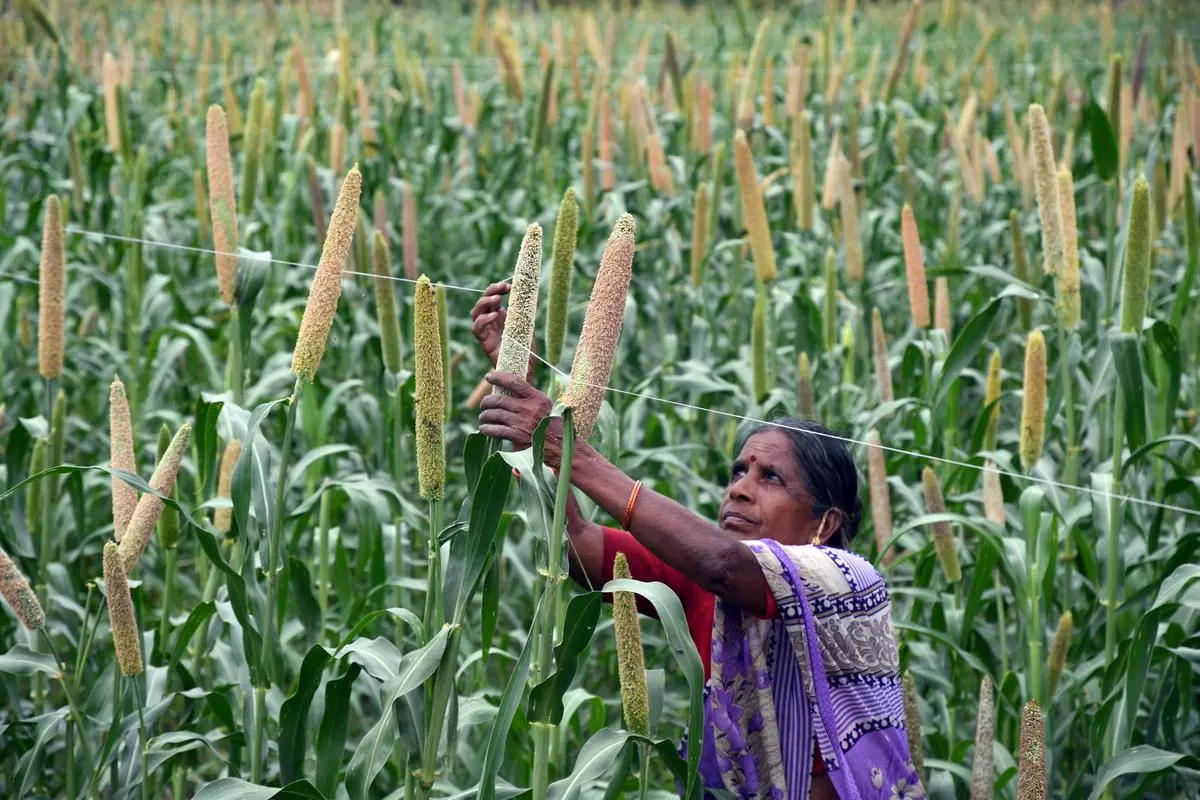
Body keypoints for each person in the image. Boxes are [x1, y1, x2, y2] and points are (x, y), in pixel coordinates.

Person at [471, 284, 925, 800]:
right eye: (738, 471)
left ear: (826, 522)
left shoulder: (848, 580)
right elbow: (575, 541)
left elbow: (721, 563)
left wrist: (573, 451)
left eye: (770, 478)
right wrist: (521, 403)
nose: (740, 488)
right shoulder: (704, 586)